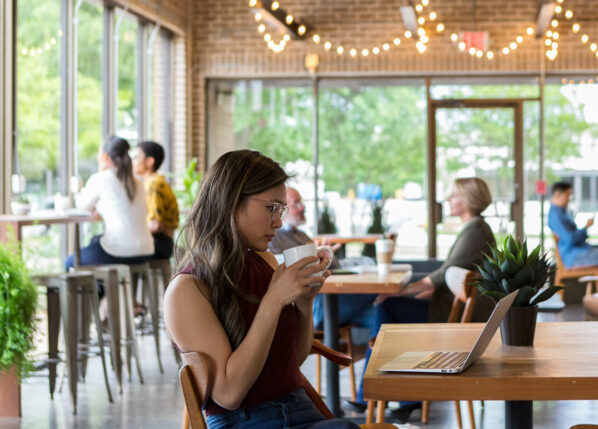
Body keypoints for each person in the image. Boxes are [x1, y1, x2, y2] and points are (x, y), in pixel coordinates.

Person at [164, 150, 358, 429]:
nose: (278, 222)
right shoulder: (187, 289)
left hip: (303, 410)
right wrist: (273, 301)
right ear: (232, 201)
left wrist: (305, 304)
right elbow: (229, 394)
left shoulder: (264, 262)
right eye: (271, 208)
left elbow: (291, 360)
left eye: (281, 210)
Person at [349, 177, 496, 420]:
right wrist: (418, 292)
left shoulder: (476, 230)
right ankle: (392, 397)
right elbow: (448, 276)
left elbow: (442, 275)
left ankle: (376, 395)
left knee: (387, 306)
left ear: (469, 199)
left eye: (454, 195)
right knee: (389, 308)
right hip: (450, 308)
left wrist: (403, 290)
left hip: (454, 316)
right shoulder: (475, 228)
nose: (449, 199)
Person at [268, 187, 375, 331]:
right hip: (315, 306)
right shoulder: (273, 237)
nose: (303, 207)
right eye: (296, 203)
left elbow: (333, 268)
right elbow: (276, 267)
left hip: (324, 301)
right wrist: (315, 257)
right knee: (375, 295)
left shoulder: (301, 235)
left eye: (302, 202)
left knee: (380, 311)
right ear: (282, 210)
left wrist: (327, 255)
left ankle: (371, 353)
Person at [65, 135, 154, 269]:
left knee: (70, 263)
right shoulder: (138, 180)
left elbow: (81, 207)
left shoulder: (101, 178)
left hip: (120, 251)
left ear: (105, 157)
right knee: (95, 241)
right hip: (146, 249)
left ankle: (100, 290)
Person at [132, 140, 179, 261]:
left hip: (159, 243)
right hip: (165, 243)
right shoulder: (158, 181)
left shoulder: (153, 184)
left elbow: (156, 225)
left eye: (136, 157)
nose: (133, 162)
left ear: (150, 161)